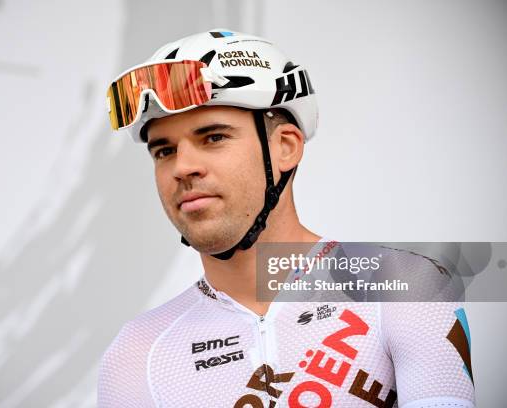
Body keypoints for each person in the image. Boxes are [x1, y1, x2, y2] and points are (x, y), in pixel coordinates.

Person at [97, 29, 475, 407]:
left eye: (213, 137)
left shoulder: (402, 284)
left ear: (285, 147)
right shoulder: (135, 352)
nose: (183, 167)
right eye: (163, 151)